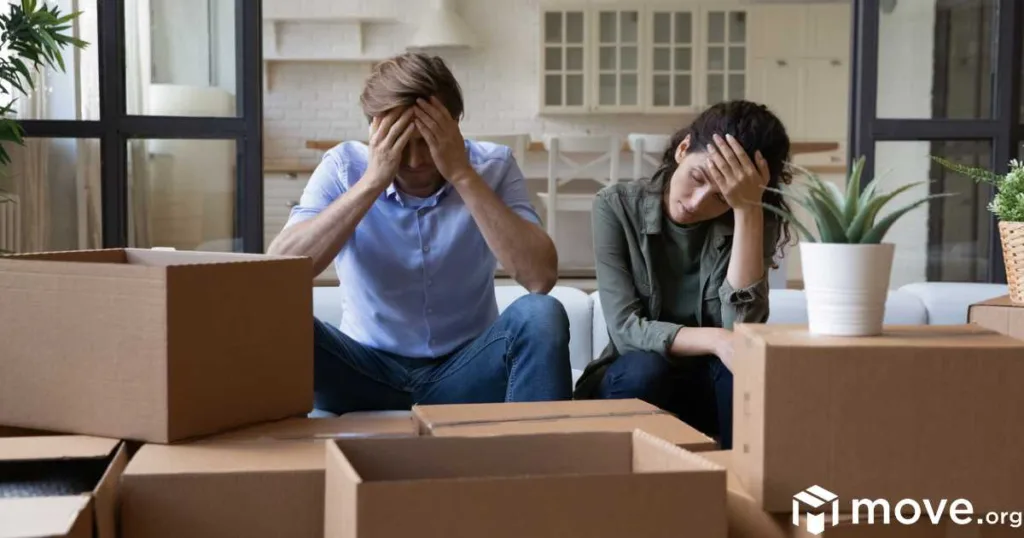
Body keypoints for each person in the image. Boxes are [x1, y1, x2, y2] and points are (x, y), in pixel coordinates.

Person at [269, 52, 571, 415]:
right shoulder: (343, 167)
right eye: (400, 143)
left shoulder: (494, 166)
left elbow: (541, 278)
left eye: (428, 141)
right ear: (374, 132)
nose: (415, 162)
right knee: (272, 315)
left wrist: (462, 174)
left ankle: (538, 452)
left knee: (541, 314)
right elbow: (278, 269)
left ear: (454, 127)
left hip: (466, 372)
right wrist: (372, 181)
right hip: (362, 372)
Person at [573, 101, 793, 449]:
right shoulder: (616, 206)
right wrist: (715, 340)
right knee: (646, 370)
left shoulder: (750, 219)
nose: (696, 203)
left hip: (708, 389)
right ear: (683, 149)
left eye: (721, 198)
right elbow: (626, 329)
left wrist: (747, 211)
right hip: (634, 381)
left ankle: (741, 480)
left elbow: (742, 329)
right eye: (697, 178)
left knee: (743, 371)